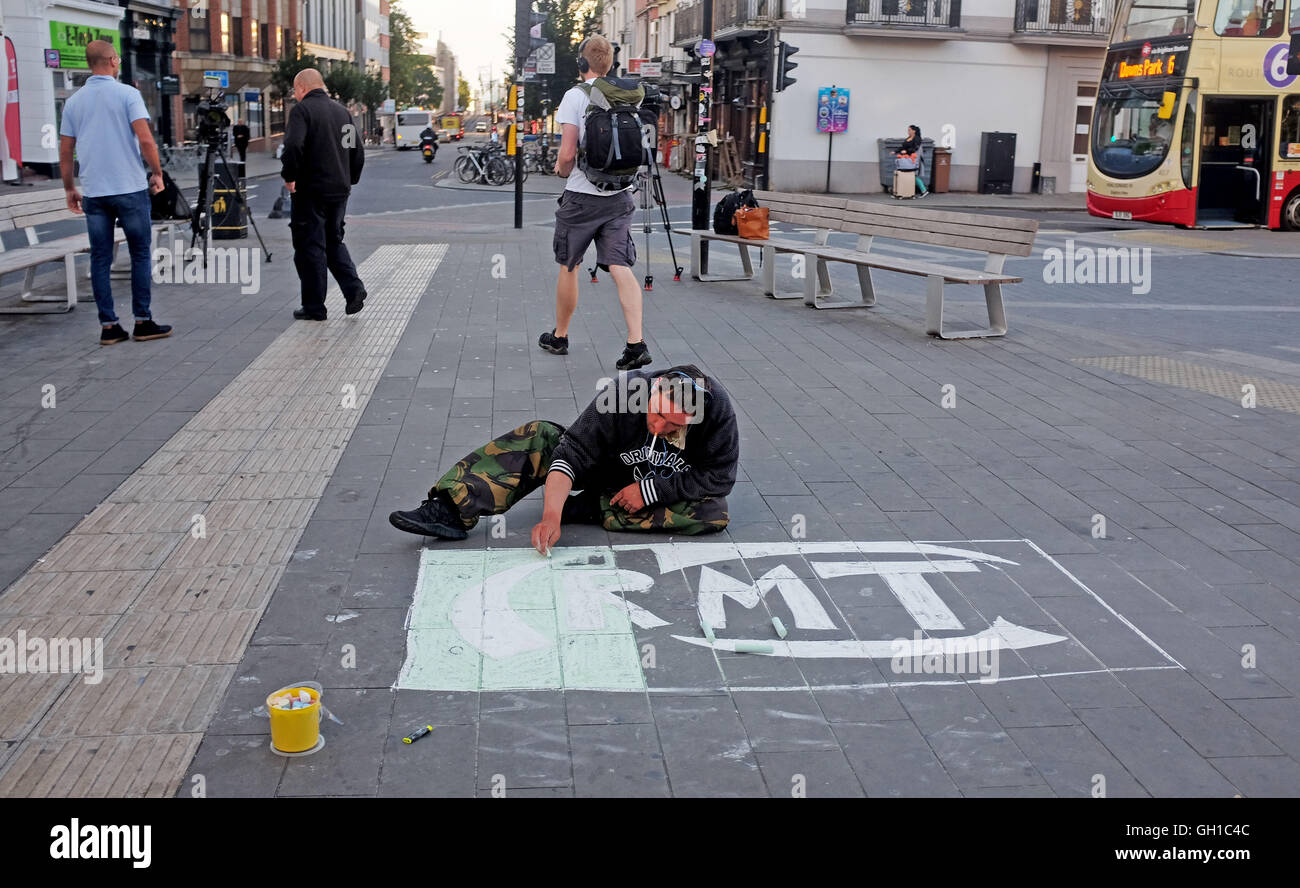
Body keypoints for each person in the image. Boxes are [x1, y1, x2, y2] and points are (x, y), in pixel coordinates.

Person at [389, 366, 738, 552]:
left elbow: (720, 477)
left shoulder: (716, 410)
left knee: (713, 513)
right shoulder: (625, 390)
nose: (659, 426)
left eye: (674, 425)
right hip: (602, 469)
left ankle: (593, 508)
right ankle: (451, 508)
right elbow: (572, 452)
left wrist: (649, 492)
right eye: (657, 413)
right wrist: (551, 515)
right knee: (540, 434)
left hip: (653, 490)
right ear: (656, 386)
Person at [537, 34, 651, 371]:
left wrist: (560, 169)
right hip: (619, 194)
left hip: (581, 198)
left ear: (581, 64)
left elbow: (568, 153)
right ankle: (636, 343)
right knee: (620, 266)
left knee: (569, 264)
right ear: (610, 64)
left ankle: (560, 336)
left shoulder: (575, 96)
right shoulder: (629, 94)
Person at [58, 39, 171, 346]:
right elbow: (146, 140)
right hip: (130, 188)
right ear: (111, 61)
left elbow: (66, 152)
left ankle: (109, 326)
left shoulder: (74, 102)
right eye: (117, 58)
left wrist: (70, 187)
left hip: (95, 193)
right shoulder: (128, 94)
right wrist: (157, 172)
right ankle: (143, 321)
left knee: (100, 258)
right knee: (139, 254)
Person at [280, 68, 367, 321]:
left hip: (310, 191)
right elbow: (356, 150)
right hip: (339, 191)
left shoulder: (302, 111)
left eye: (295, 91)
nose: (295, 96)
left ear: (302, 88)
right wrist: (349, 178)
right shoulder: (343, 113)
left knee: (310, 246)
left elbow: (294, 144)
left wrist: (290, 176)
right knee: (333, 240)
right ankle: (354, 289)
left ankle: (314, 307)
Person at [895, 124, 929, 198]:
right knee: (911, 175)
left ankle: (924, 190)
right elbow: (903, 147)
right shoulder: (909, 138)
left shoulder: (917, 139)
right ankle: (913, 191)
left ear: (914, 131)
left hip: (914, 159)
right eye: (908, 130)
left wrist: (906, 151)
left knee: (913, 175)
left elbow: (915, 148)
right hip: (909, 158)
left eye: (909, 130)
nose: (908, 131)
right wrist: (896, 151)